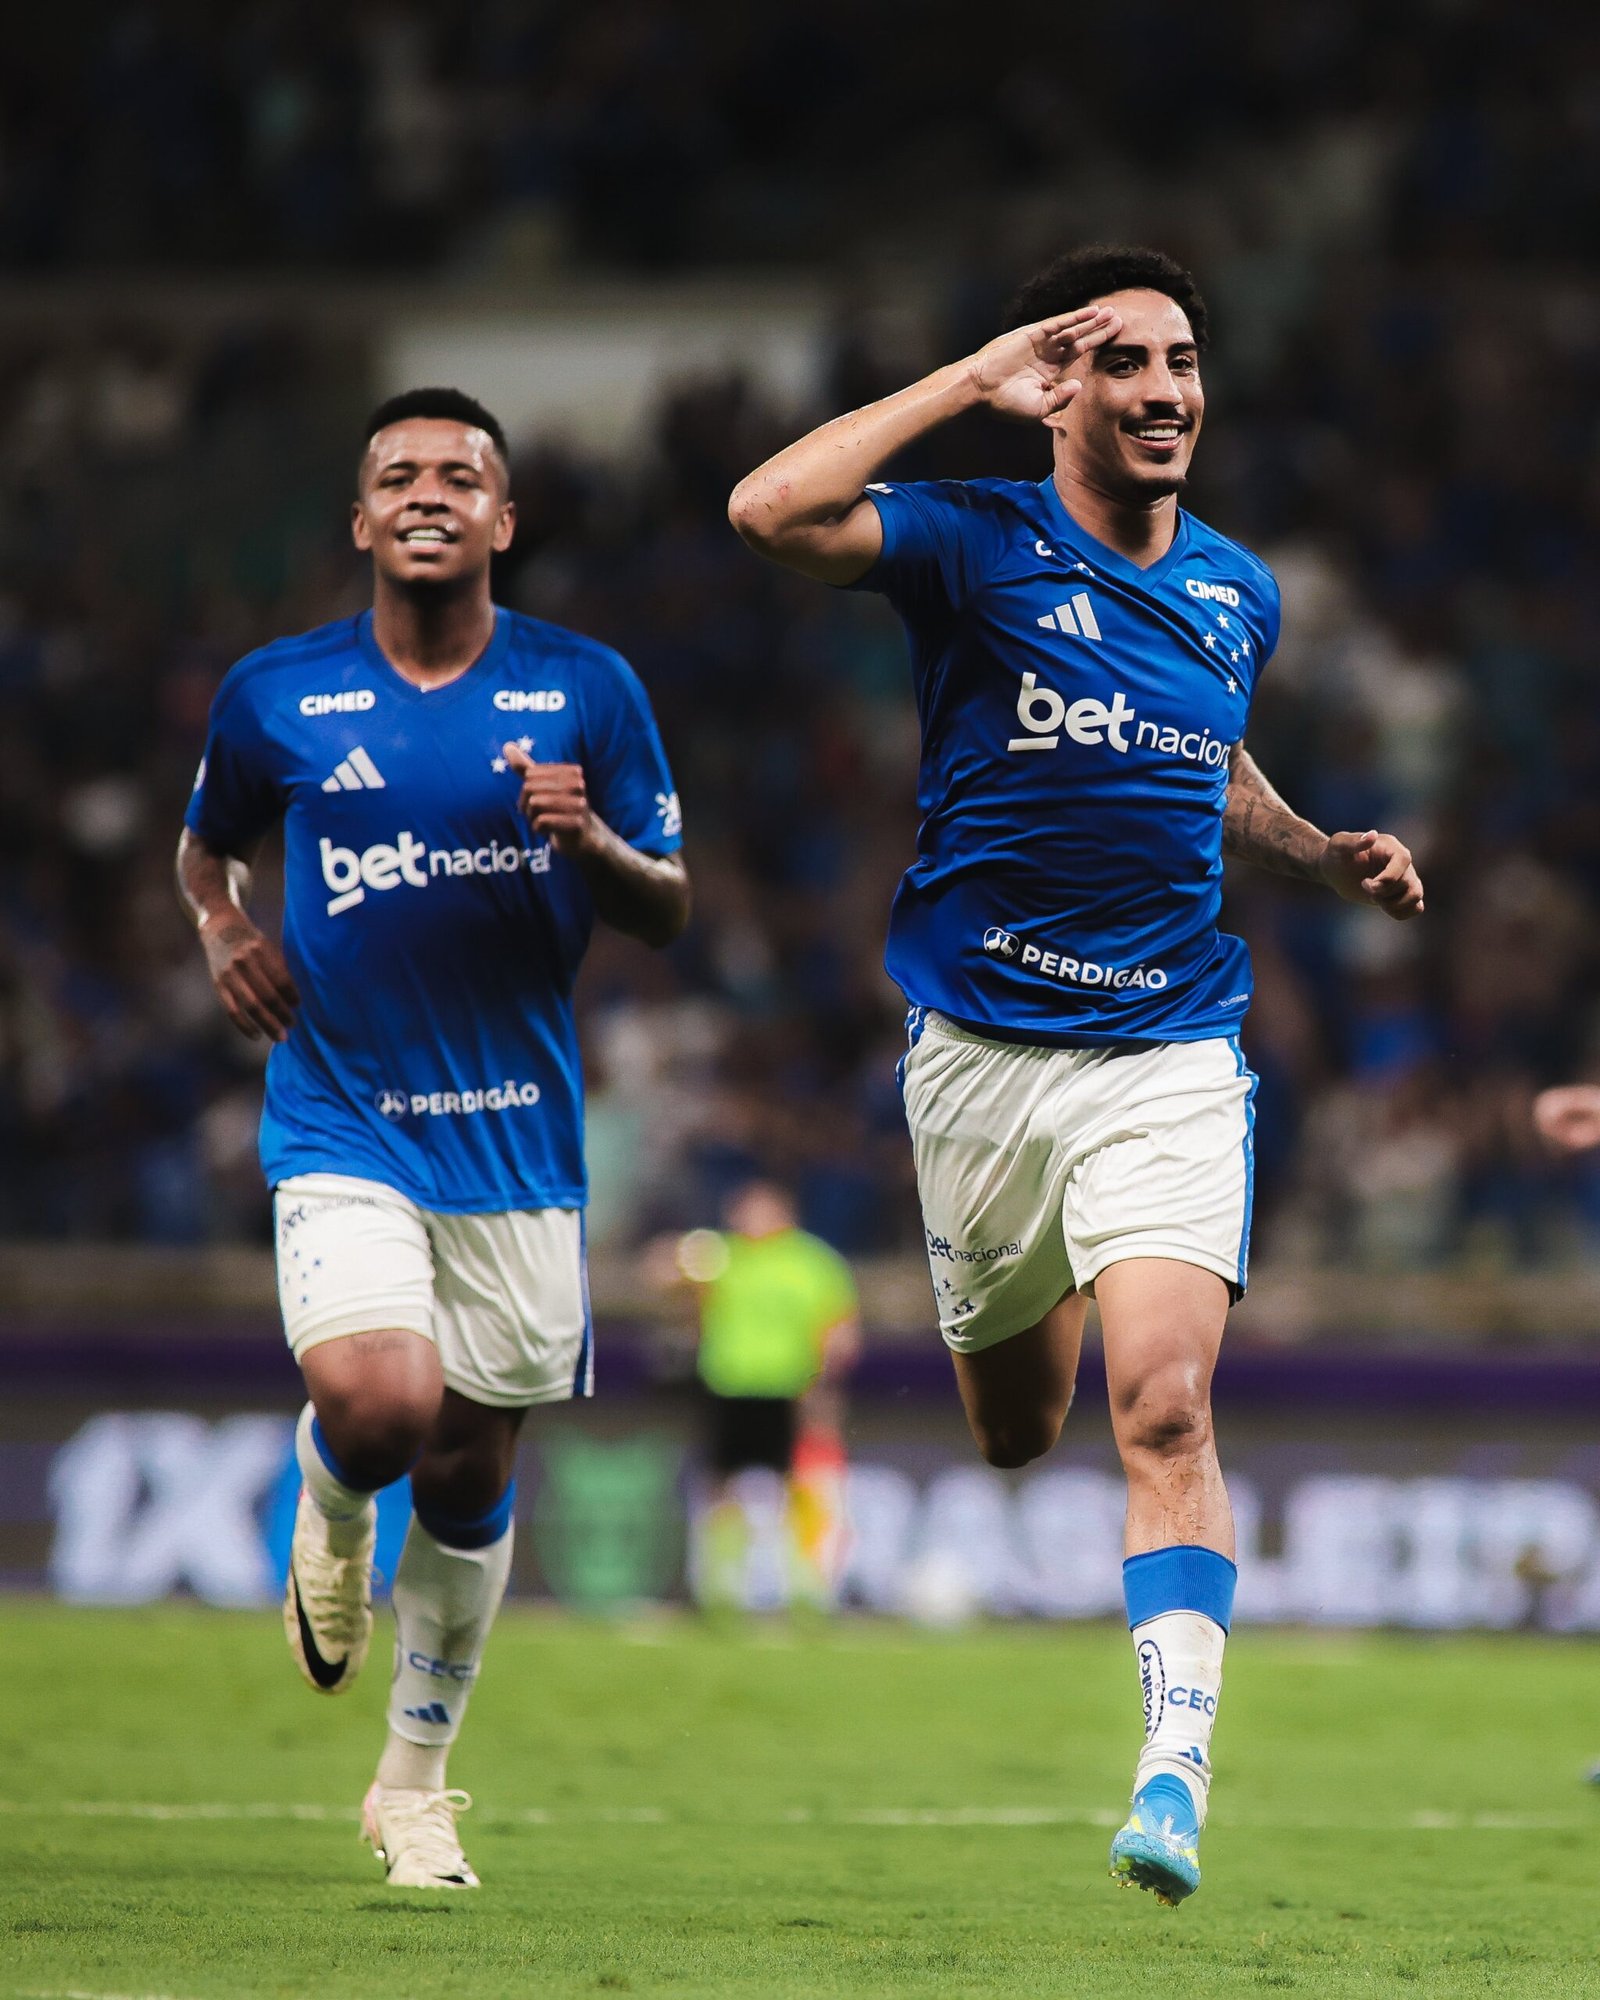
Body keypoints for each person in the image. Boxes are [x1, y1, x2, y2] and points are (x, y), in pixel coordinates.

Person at [728, 244, 1424, 1905]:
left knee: (1166, 1405)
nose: (1166, 390)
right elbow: (768, 510)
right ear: (1060, 391)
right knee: (1013, 1429)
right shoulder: (974, 540)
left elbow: (1212, 769)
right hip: (978, 1062)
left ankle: (1173, 1771)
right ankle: (1022, 1361)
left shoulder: (1239, 591)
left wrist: (1320, 852)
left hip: (1169, 1050)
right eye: (1123, 362)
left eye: (1182, 361)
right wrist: (966, 381)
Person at [177, 387, 689, 1888]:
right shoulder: (277, 693)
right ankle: (334, 1503)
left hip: (516, 1143)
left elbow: (668, 906)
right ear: (359, 518)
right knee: (382, 1405)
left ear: (501, 518)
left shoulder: (586, 689)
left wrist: (591, 841)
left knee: (468, 1474)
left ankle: (413, 1788)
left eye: (459, 476)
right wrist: (224, 931)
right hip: (343, 1114)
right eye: (397, 474)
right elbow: (205, 849)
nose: (426, 493)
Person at [670, 1179, 860, 1609]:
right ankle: (720, 1587)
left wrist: (824, 1382)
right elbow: (666, 1280)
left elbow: (840, 1328)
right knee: (721, 1485)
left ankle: (807, 1585)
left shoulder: (812, 1262)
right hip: (729, 1385)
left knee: (801, 1485)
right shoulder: (721, 1257)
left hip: (791, 1387)